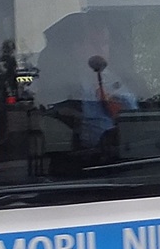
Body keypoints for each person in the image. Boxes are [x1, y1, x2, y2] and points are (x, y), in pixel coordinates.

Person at [37, 12, 138, 154]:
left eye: (105, 43)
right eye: (93, 44)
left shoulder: (128, 79)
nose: (101, 50)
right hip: (88, 162)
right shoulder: (62, 86)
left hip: (133, 154)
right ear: (76, 48)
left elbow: (138, 117)